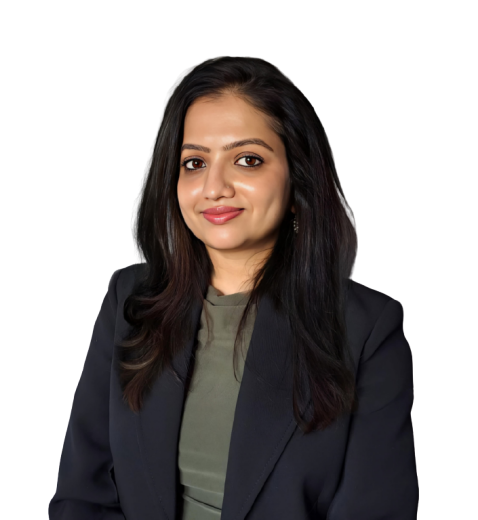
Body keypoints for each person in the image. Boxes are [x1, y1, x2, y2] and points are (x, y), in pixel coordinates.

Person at [48, 56, 418, 519]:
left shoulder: (366, 330)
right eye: (195, 162)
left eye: (248, 160)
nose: (214, 187)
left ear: (297, 177)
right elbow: (82, 494)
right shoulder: (130, 298)